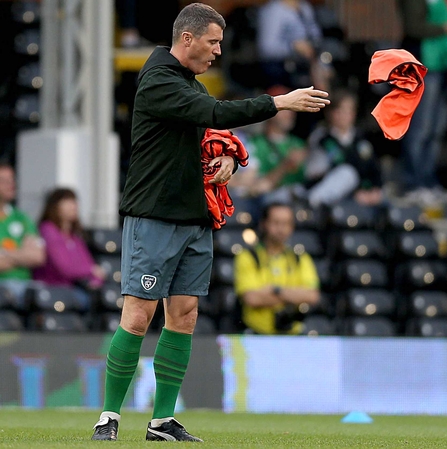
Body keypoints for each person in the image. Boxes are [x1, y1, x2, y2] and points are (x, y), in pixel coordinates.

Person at [91, 3, 328, 442]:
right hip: (155, 214)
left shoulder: (186, 82)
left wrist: (225, 158)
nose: (218, 51)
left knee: (184, 314)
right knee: (138, 315)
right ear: (188, 39)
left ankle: (161, 422)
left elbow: (208, 131)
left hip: (195, 216)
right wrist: (279, 102)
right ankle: (109, 417)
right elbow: (215, 115)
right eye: (213, 41)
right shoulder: (159, 79)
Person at [396, 0, 447, 202]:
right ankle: (413, 182)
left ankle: (428, 180)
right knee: (421, 127)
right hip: (423, 65)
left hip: (445, 66)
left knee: (436, 129)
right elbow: (413, 27)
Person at [234, 202, 320, 334]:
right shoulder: (247, 257)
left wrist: (275, 290)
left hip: (293, 336)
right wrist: (294, 296)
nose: (281, 229)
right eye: (276, 222)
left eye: (286, 223)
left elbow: (312, 296)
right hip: (256, 336)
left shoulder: (300, 258)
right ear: (264, 224)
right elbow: (251, 298)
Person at [227, 85, 309, 218]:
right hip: (265, 203)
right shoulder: (255, 143)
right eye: (286, 109)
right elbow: (257, 185)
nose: (290, 114)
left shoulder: (299, 144)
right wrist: (285, 166)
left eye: (292, 109)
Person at [306, 89, 383, 207]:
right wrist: (354, 193)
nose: (345, 115)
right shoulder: (321, 138)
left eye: (349, 111)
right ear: (330, 113)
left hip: (365, 196)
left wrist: (375, 190)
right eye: (340, 110)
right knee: (347, 173)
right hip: (332, 197)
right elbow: (315, 174)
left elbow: (373, 169)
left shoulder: (361, 139)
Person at [33, 188, 106, 310]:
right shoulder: (48, 230)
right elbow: (65, 268)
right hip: (51, 288)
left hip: (72, 289)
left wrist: (95, 281)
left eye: (74, 201)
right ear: (55, 206)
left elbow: (88, 263)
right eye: (67, 201)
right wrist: (91, 271)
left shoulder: (75, 237)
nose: (74, 205)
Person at [0, 163, 45, 309]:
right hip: (4, 285)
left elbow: (38, 256)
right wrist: (22, 255)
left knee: (47, 295)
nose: (11, 185)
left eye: (12, 180)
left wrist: (5, 254)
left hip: (26, 285)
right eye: (4, 181)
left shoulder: (22, 218)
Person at [256, 0, 329, 90]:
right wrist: (293, 47)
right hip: (282, 69)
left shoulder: (305, 7)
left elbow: (316, 38)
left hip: (308, 65)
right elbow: (267, 48)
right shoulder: (273, 11)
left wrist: (323, 65)